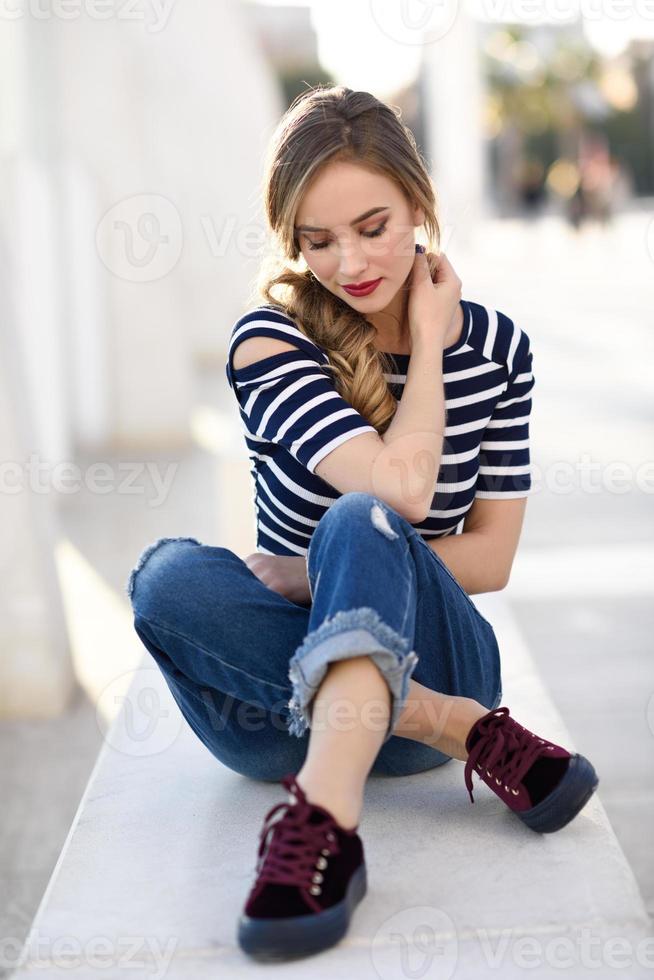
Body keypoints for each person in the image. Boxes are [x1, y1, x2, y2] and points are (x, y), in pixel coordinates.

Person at [125, 85, 599, 963]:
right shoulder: (270, 342)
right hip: (274, 711)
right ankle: (452, 726)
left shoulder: (498, 352)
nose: (350, 262)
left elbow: (480, 553)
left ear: (420, 204)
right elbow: (406, 486)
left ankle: (324, 828)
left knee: (358, 522)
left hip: (440, 649)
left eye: (374, 226)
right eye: (319, 240)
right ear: (292, 242)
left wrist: (428, 341)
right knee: (164, 577)